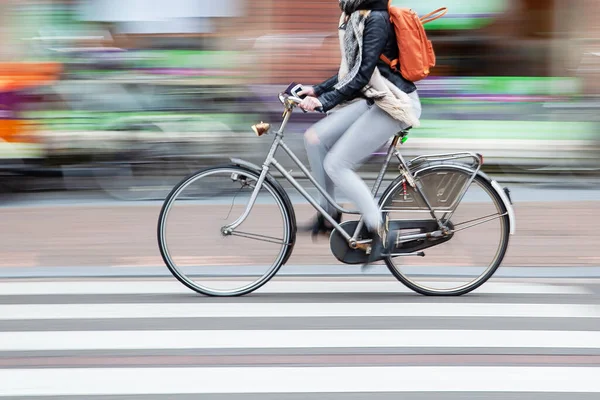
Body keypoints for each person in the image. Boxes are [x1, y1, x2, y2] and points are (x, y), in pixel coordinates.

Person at [298, 0, 422, 263]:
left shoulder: (375, 18)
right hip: (376, 97)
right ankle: (328, 213)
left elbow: (362, 75)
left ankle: (380, 230)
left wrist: (325, 101)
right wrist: (318, 90)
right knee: (314, 139)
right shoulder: (358, 15)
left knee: (336, 164)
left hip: (395, 103)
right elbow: (353, 69)